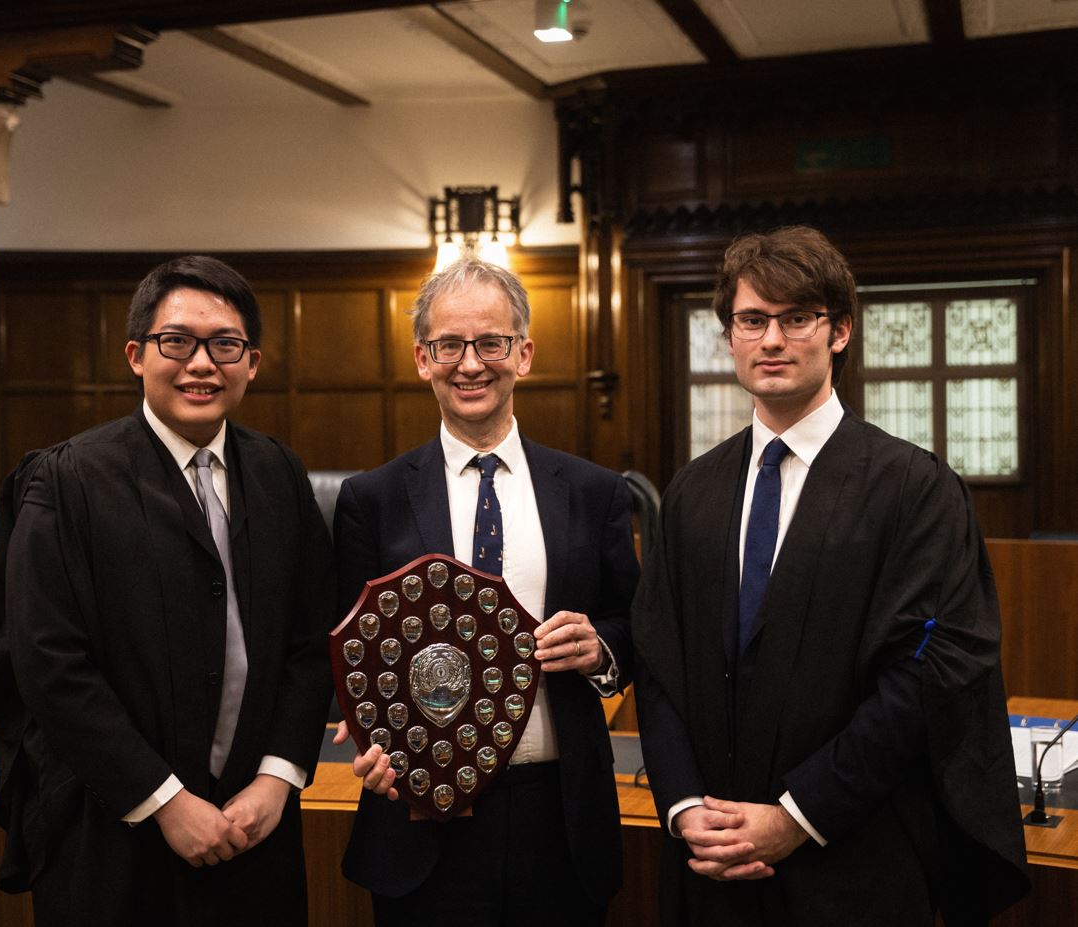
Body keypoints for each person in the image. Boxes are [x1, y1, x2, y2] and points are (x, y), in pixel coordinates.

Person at [632, 226, 1029, 925]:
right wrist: (686, 806)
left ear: (840, 330)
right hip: (711, 865)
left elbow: (930, 673)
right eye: (752, 320)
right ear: (730, 336)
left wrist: (796, 814)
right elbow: (659, 661)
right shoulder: (692, 492)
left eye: (797, 318)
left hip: (852, 862)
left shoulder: (913, 487)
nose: (772, 340)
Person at [0, 255, 335, 926]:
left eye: (225, 344)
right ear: (136, 354)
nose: (202, 363)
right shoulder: (65, 481)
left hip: (253, 828)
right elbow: (46, 661)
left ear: (252, 362)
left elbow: (313, 640)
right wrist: (164, 799)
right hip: (114, 830)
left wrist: (278, 775)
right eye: (178, 341)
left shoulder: (279, 473)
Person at [331, 257, 640, 926]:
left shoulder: (593, 493)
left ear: (523, 353)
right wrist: (370, 739)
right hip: (419, 815)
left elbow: (636, 624)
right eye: (450, 344)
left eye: (491, 342)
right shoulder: (371, 500)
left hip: (559, 814)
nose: (471, 363)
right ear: (423, 358)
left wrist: (601, 648)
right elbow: (349, 653)